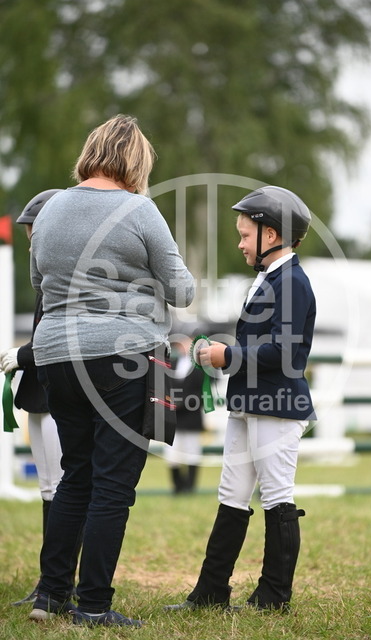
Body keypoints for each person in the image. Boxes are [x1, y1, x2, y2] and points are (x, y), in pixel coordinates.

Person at [28, 114, 195, 627]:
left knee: (75, 475)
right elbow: (183, 290)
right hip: (122, 354)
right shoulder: (139, 210)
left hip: (56, 353)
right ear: (136, 161)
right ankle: (94, 605)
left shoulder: (51, 207)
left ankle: (50, 596)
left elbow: (38, 280)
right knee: (113, 484)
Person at [165, 185, 316, 612]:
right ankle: (211, 591)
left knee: (277, 496)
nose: (240, 243)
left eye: (245, 235)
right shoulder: (267, 279)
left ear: (271, 235)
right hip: (247, 403)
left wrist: (226, 355)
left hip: (277, 406)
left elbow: (284, 351)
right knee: (231, 493)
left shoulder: (293, 282)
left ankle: (274, 595)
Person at [1, 189, 66, 606]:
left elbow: (57, 337)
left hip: (60, 392)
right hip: (40, 394)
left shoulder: (63, 280)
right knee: (47, 488)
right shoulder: (44, 279)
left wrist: (23, 355)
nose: (31, 246)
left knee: (61, 488)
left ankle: (59, 582)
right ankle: (49, 580)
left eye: (33, 236)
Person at [165, 335, 205, 494]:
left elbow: (201, 393)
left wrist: (183, 403)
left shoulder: (201, 368)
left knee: (192, 452)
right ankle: (177, 486)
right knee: (172, 453)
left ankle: (190, 486)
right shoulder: (172, 364)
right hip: (173, 417)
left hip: (191, 416)